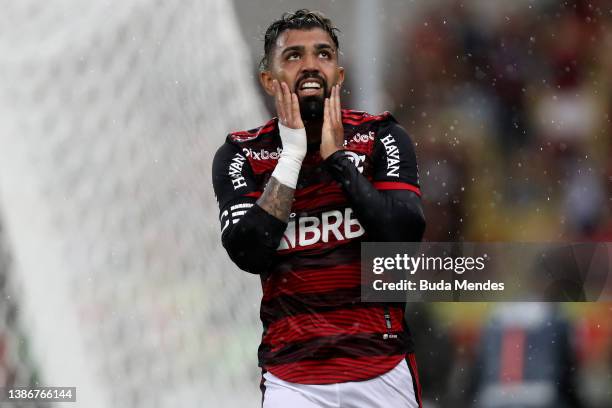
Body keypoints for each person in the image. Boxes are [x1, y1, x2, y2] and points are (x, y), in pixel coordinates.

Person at [212, 9, 426, 407]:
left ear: (339, 75)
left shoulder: (382, 136)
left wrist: (338, 162)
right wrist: (291, 157)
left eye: (323, 54)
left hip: (381, 368)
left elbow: (403, 238)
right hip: (293, 380)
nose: (310, 65)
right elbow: (248, 251)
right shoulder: (241, 154)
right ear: (268, 80)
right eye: (293, 56)